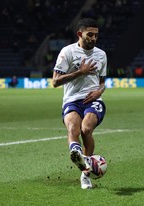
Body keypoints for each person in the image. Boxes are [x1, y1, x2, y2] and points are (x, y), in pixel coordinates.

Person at [52, 18, 107, 189]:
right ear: (79, 34)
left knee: (86, 129)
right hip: (71, 100)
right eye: (90, 34)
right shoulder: (67, 52)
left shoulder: (101, 55)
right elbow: (55, 81)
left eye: (96, 35)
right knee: (73, 129)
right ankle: (77, 154)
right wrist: (79, 72)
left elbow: (102, 82)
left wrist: (100, 91)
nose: (93, 38)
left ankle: (85, 176)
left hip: (94, 100)